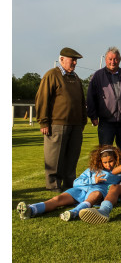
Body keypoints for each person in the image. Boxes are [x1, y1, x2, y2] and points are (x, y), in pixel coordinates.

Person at [16, 145, 121, 221]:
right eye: (105, 162)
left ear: (116, 159)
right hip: (79, 191)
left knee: (95, 194)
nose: (108, 165)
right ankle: (31, 209)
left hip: (96, 193)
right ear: (99, 161)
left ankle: (74, 212)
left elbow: (120, 183)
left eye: (111, 161)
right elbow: (76, 183)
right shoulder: (91, 170)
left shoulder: (118, 174)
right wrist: (93, 180)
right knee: (58, 199)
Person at [35, 47, 87, 192]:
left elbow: (81, 100)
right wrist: (44, 121)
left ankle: (69, 184)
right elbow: (42, 99)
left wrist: (83, 120)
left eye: (76, 60)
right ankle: (53, 185)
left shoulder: (75, 77)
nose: (75, 63)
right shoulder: (52, 75)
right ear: (62, 59)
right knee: (54, 157)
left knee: (72, 156)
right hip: (57, 124)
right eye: (73, 60)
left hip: (76, 125)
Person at [87, 47, 121, 162]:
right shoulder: (97, 76)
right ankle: (107, 177)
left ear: (120, 60)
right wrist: (93, 116)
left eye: (115, 59)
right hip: (106, 121)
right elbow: (90, 97)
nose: (113, 61)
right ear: (105, 60)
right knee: (105, 151)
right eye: (110, 59)